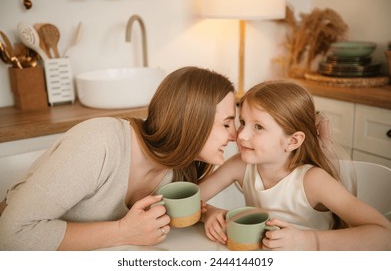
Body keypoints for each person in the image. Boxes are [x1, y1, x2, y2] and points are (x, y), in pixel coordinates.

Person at [0, 66, 237, 250]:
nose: (235, 135)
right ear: (194, 121)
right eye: (227, 124)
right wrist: (123, 231)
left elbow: (165, 210)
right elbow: (12, 233)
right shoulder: (100, 141)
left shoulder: (177, 168)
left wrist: (207, 213)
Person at [199, 80, 391, 250]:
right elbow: (190, 200)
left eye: (258, 127)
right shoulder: (240, 166)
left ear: (292, 141)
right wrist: (209, 214)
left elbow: (384, 235)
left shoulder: (313, 181)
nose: (241, 135)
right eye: (243, 122)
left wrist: (308, 242)